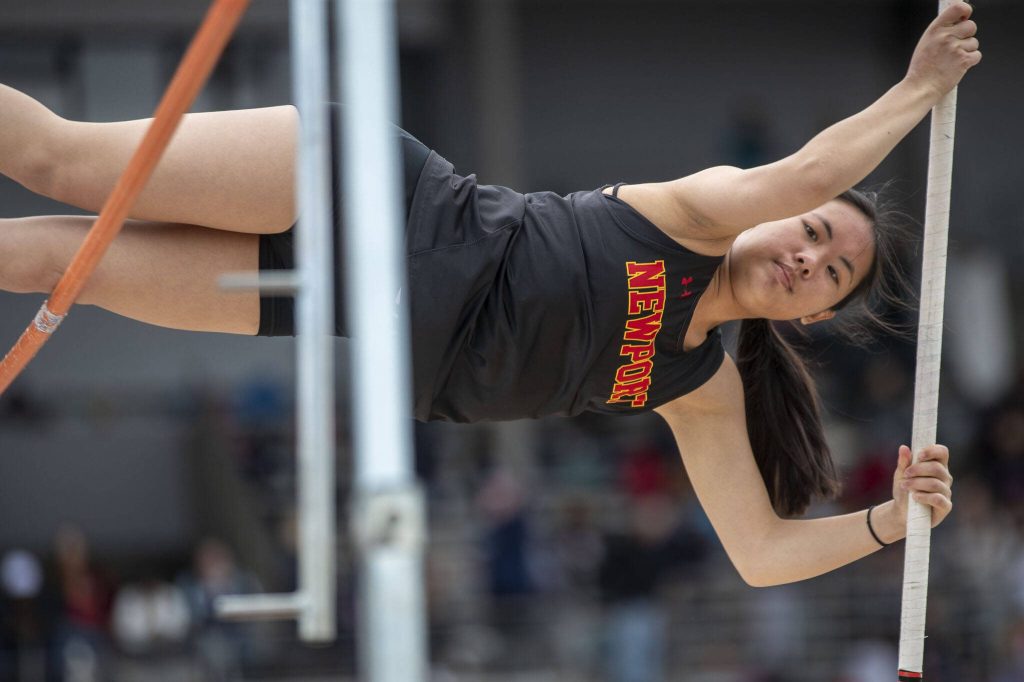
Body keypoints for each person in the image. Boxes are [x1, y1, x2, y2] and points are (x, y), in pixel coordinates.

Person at [0, 4, 979, 587]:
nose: (809, 257)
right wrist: (915, 90)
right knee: (61, 158)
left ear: (811, 316)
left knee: (64, 270)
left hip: (342, 307)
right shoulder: (698, 212)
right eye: (813, 233)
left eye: (833, 272)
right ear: (777, 216)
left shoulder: (695, 385)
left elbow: (759, 554)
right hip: (375, 196)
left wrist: (890, 522)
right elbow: (807, 169)